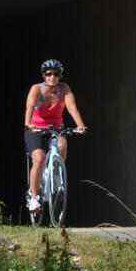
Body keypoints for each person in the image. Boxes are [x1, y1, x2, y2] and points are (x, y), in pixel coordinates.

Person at [24, 58, 87, 213]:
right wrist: (28, 124)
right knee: (38, 159)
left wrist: (80, 125)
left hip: (55, 128)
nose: (53, 77)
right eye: (49, 74)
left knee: (62, 145)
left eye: (56, 74)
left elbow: (72, 108)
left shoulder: (64, 89)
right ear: (44, 76)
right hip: (36, 129)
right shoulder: (36, 89)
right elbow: (30, 107)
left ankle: (57, 175)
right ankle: (33, 198)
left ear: (60, 76)